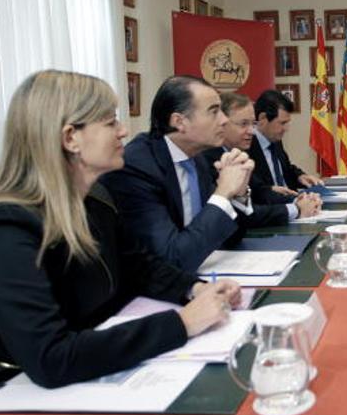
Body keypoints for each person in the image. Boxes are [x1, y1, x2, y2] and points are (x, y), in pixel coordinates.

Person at [0, 70, 240, 394]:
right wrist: (183, 323)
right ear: (70, 138)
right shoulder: (8, 230)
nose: (124, 131)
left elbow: (139, 266)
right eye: (109, 122)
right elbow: (51, 358)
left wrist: (195, 289)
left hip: (91, 368)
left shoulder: (97, 201)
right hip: (9, 395)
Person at [101, 75, 282, 272]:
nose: (223, 120)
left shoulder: (197, 157)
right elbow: (171, 259)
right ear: (179, 121)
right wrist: (222, 194)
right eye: (214, 111)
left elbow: (230, 236)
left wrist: (237, 194)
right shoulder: (138, 167)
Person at [201, 92, 320, 216]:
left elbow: (260, 191)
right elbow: (242, 215)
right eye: (243, 124)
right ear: (221, 123)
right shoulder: (208, 159)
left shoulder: (236, 153)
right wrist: (297, 209)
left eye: (252, 124)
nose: (252, 131)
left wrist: (299, 201)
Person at [248, 89, 323, 193]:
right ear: (262, 118)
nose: (286, 129)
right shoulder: (246, 146)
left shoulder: (275, 139)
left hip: (294, 200)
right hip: (274, 206)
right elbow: (256, 191)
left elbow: (286, 169)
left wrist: (300, 176)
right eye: (282, 123)